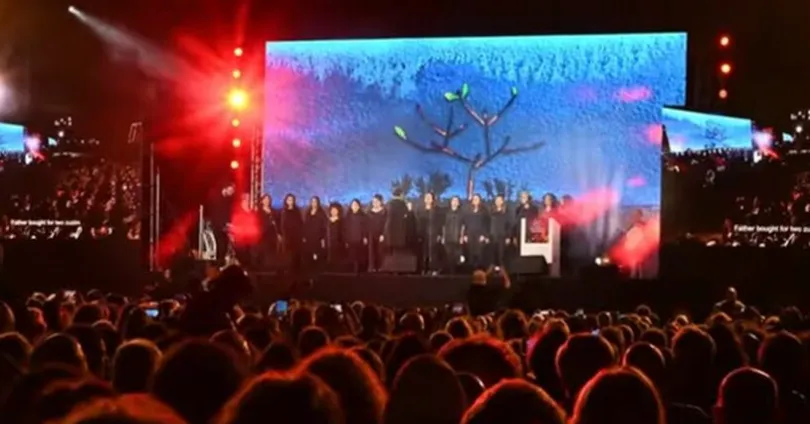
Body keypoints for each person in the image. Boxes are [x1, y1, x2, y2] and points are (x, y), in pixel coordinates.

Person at [417, 192, 442, 275]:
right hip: (423, 234)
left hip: (433, 233)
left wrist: (439, 234)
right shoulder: (420, 210)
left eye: (429, 197)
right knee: (424, 252)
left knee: (433, 252)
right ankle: (424, 269)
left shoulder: (436, 210)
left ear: (432, 199)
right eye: (426, 197)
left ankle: (433, 269)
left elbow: (439, 223)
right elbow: (418, 223)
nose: (428, 199)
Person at [463, 194, 489, 270]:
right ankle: (471, 270)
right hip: (470, 233)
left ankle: (479, 269)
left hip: (480, 235)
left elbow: (486, 224)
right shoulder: (468, 210)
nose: (475, 200)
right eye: (474, 199)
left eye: (477, 199)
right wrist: (465, 235)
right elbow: (465, 224)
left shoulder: (484, 211)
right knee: (470, 252)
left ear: (480, 200)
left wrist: (484, 235)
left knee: (479, 253)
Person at [302, 196, 327, 270]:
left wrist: (322, 238)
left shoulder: (321, 213)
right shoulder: (308, 212)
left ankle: (317, 270)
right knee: (308, 255)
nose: (313, 203)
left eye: (315, 201)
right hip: (308, 238)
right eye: (312, 201)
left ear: (318, 203)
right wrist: (304, 236)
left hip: (317, 238)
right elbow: (305, 225)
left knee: (317, 255)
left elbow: (324, 227)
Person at [280, 194, 304, 271]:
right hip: (287, 236)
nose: (290, 201)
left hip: (296, 236)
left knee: (296, 254)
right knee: (288, 254)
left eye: (291, 200)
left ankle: (296, 269)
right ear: (286, 201)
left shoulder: (297, 211)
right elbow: (282, 224)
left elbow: (300, 223)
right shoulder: (283, 211)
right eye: (289, 200)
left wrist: (301, 235)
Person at [344, 199, 369, 273]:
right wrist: (346, 239)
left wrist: (365, 237)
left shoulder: (363, 216)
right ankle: (352, 271)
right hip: (350, 240)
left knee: (360, 257)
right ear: (351, 206)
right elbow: (345, 229)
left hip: (360, 239)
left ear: (359, 206)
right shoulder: (347, 217)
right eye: (353, 205)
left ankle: (361, 271)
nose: (354, 206)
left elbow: (366, 227)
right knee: (352, 256)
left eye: (356, 205)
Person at [257, 194, 281, 270]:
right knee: (264, 250)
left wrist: (278, 233)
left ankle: (271, 266)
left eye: (268, 199)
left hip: (272, 233)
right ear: (262, 201)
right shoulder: (259, 211)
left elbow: (278, 222)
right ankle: (263, 267)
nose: (267, 201)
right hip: (263, 233)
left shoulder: (273, 211)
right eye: (265, 199)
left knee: (272, 250)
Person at [488, 194, 512, 268]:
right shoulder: (491, 212)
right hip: (493, 235)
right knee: (493, 253)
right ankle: (493, 268)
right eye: (496, 200)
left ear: (502, 201)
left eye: (499, 200)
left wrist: (508, 237)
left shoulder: (506, 213)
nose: (498, 201)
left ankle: (502, 269)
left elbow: (509, 226)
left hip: (502, 235)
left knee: (501, 254)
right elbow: (488, 224)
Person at [442, 196, 464, 274]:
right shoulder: (446, 213)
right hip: (448, 237)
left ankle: (456, 272)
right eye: (453, 200)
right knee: (448, 255)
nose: (454, 202)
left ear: (458, 203)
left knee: (456, 256)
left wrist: (462, 236)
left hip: (457, 237)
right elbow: (444, 225)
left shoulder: (461, 213)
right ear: (450, 202)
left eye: (456, 201)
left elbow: (463, 226)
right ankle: (449, 272)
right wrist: (443, 236)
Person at [367, 194, 387, 272]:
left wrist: (383, 234)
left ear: (380, 202)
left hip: (381, 234)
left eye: (376, 201)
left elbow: (386, 224)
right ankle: (372, 267)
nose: (375, 203)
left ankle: (380, 267)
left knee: (380, 251)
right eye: (373, 201)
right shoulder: (369, 212)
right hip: (371, 234)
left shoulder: (384, 212)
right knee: (371, 251)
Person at [326, 203, 345, 271]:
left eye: (335, 210)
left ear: (338, 211)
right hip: (329, 243)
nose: (333, 211)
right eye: (332, 210)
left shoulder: (341, 221)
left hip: (338, 243)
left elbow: (343, 232)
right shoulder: (328, 221)